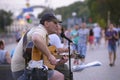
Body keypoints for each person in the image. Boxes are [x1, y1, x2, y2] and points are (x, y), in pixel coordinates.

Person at [11, 13, 68, 80]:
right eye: (55, 23)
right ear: (46, 23)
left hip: (27, 68)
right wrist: (50, 56)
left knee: (60, 71)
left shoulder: (44, 35)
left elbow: (45, 63)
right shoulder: (40, 30)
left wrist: (59, 62)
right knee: (59, 76)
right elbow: (36, 38)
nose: (57, 26)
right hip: (23, 71)